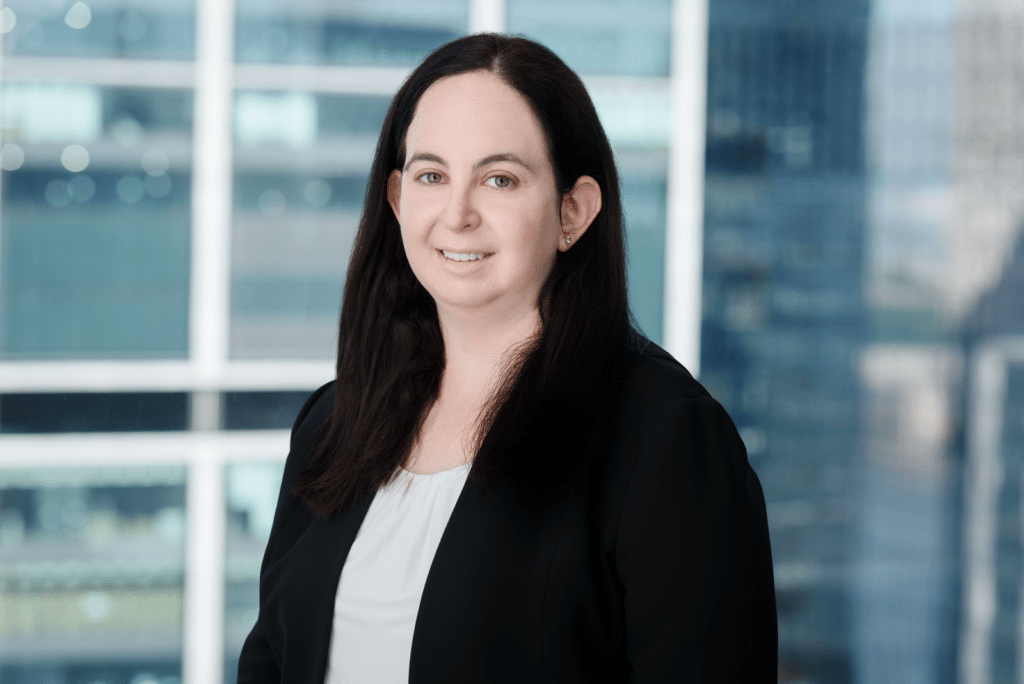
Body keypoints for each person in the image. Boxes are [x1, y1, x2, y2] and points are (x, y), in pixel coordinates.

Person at [237, 33, 776, 683]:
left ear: (573, 211)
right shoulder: (335, 419)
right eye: (432, 175)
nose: (458, 214)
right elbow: (270, 660)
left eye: (499, 178)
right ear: (398, 199)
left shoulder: (664, 439)